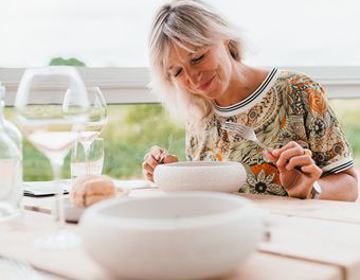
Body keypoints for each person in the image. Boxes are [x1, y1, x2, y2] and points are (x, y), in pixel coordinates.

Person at [142, 0, 358, 201]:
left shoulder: (297, 90)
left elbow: (350, 186)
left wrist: (311, 189)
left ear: (225, 38)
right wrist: (170, 174)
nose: (192, 78)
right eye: (178, 71)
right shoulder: (198, 116)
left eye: (198, 58)